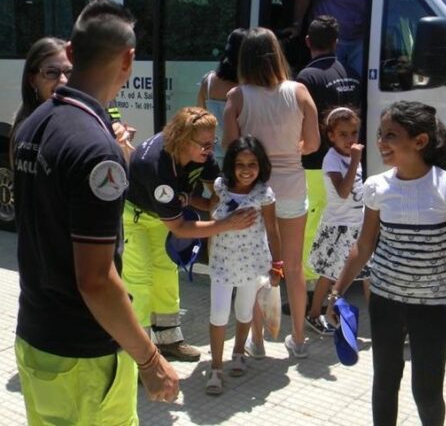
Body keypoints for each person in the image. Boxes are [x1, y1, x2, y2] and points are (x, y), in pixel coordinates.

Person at [13, 0, 178, 424]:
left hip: (36, 340)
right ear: (129, 60)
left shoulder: (33, 123)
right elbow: (95, 280)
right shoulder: (95, 147)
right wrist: (150, 359)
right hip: (85, 360)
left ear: (70, 51)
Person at [328, 101, 446, 426]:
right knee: (385, 383)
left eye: (390, 135)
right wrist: (335, 292)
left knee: (427, 391)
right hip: (384, 300)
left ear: (419, 142)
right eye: (380, 134)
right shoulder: (376, 187)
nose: (380, 142)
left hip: (431, 305)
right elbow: (364, 245)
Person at [123, 106, 257, 362]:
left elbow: (216, 186)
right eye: (204, 144)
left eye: (212, 142)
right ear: (183, 140)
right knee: (139, 282)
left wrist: (211, 204)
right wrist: (227, 224)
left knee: (166, 274)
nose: (210, 149)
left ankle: (169, 339)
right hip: (135, 218)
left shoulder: (201, 155)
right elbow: (179, 227)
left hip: (162, 216)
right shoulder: (157, 166)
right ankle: (141, 356)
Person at [223, 27, 320, 359]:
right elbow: (314, 144)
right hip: (292, 187)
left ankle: (259, 340)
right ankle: (298, 340)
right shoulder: (300, 91)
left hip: (254, 192)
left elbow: (230, 148)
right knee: (292, 267)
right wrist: (288, 151)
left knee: (256, 266)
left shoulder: (237, 97)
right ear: (277, 54)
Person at [205, 135, 281, 395]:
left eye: (252, 164)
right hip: (222, 262)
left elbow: (272, 229)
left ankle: (239, 352)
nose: (246, 170)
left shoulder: (264, 194)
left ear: (261, 166)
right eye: (240, 164)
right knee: (217, 314)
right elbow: (211, 213)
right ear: (230, 165)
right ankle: (215, 367)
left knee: (244, 311)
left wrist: (278, 265)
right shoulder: (220, 187)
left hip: (252, 262)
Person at [295, 16, 361, 296]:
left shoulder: (306, 78)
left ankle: (311, 286)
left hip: (315, 164)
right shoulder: (348, 71)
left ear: (308, 42)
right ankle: (334, 278)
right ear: (336, 42)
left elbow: (299, 122)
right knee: (336, 222)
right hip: (344, 164)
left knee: (314, 224)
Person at [305, 106, 369, 336]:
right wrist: (354, 161)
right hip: (338, 227)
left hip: (357, 225)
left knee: (367, 273)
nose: (350, 139)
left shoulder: (352, 157)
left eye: (353, 133)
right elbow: (343, 191)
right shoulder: (332, 159)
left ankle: (380, 321)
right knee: (329, 274)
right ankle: (314, 314)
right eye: (343, 134)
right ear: (330, 136)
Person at [285, 0, 370, 78]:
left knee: (359, 85)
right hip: (330, 43)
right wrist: (297, 25)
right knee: (331, 83)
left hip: (360, 40)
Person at [8, 37, 70, 159]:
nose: (63, 80)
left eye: (69, 72)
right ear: (32, 80)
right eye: (51, 72)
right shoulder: (26, 130)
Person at [196, 28, 247, 164]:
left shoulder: (208, 81)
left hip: (212, 158)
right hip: (241, 159)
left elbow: (198, 121)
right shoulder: (248, 86)